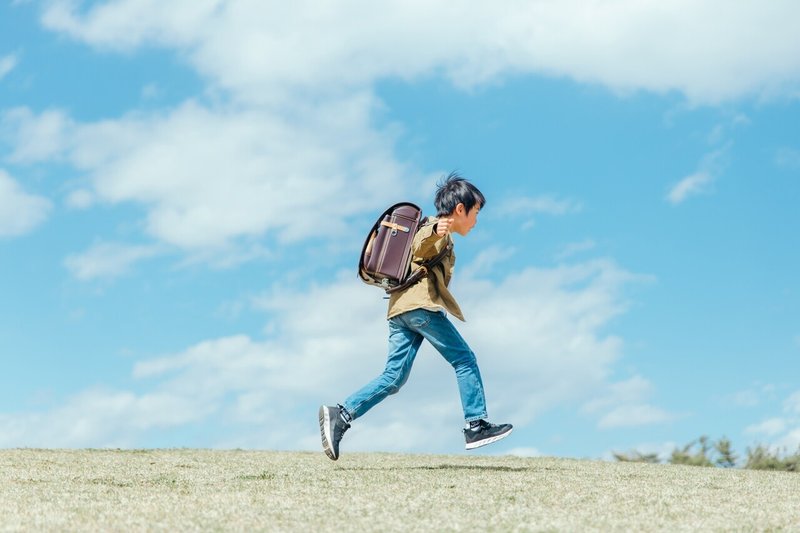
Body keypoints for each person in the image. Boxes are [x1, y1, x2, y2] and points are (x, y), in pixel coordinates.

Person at [319, 172, 512, 460]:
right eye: (476, 212)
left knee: (393, 378)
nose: (476, 220)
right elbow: (421, 244)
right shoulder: (435, 228)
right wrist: (437, 232)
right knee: (464, 359)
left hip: (399, 311)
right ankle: (476, 424)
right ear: (461, 209)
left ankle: (342, 414)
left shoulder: (440, 232)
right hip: (420, 308)